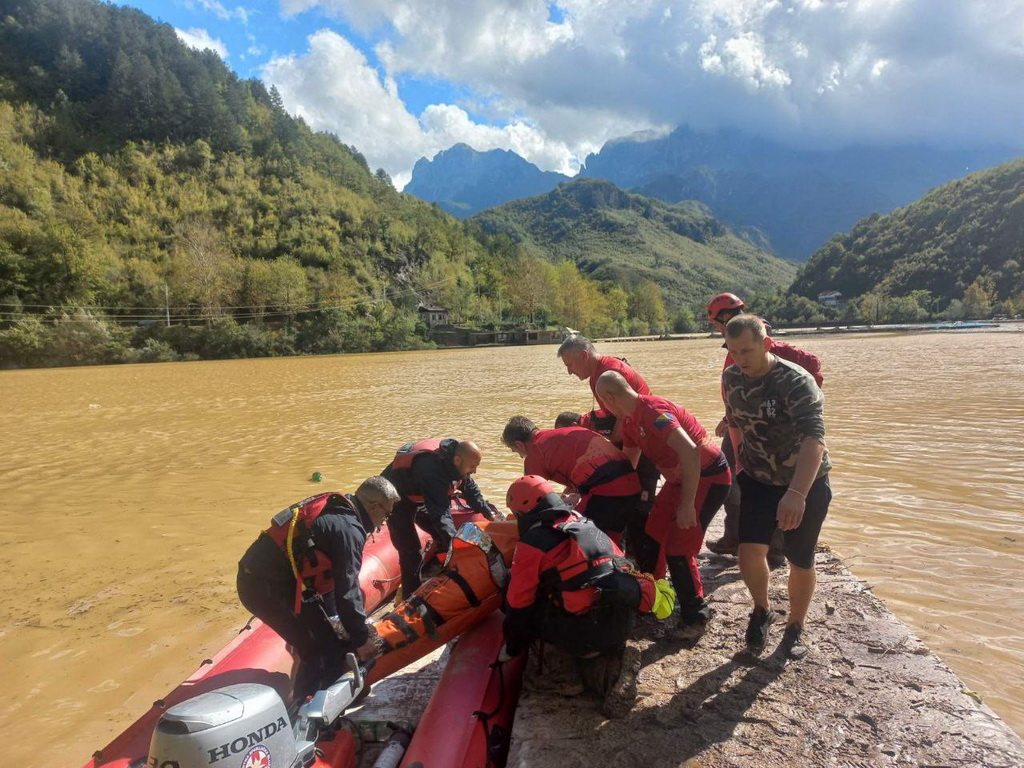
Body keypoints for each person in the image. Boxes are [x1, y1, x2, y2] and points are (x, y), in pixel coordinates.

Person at [499, 475, 673, 718]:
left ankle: (568, 676)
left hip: (584, 633)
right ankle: (611, 665)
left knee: (519, 602)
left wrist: (512, 647)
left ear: (523, 511)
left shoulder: (533, 542)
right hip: (620, 619)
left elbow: (519, 602)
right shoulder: (583, 521)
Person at [722, 314, 832, 659]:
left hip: (804, 481)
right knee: (748, 550)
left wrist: (796, 495)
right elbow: (735, 422)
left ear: (767, 344)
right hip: (757, 479)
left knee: (800, 558)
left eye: (747, 351)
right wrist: (741, 464)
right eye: (733, 351)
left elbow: (815, 440)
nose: (740, 359)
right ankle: (762, 610)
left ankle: (795, 626)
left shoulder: (795, 381)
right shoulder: (731, 378)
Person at [595, 371, 731, 641]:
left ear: (609, 398)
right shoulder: (630, 422)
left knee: (679, 548)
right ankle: (653, 593)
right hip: (679, 478)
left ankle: (695, 616)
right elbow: (628, 463)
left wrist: (687, 506)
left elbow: (691, 451)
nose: (603, 408)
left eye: (602, 402)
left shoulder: (654, 412)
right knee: (653, 529)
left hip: (706, 475)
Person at [236, 476, 399, 698]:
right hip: (263, 586)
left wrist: (341, 623)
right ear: (373, 506)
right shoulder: (349, 531)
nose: (385, 522)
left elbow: (333, 584)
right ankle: (310, 710)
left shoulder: (339, 510)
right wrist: (361, 639)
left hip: (284, 581)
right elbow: (347, 590)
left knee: (331, 637)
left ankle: (336, 692)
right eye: (386, 514)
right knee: (319, 649)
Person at [705, 292, 824, 567]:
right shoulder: (735, 342)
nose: (740, 356)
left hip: (768, 428)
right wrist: (730, 418)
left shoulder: (755, 336)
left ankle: (774, 549)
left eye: (715, 323)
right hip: (743, 423)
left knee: (768, 481)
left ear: (723, 317)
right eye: (735, 352)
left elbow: (802, 375)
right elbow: (736, 390)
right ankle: (736, 537)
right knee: (735, 480)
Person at [556, 335, 660, 570]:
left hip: (643, 444)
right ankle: (632, 560)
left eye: (570, 365)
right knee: (627, 506)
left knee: (638, 510)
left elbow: (625, 419)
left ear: (583, 356)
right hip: (634, 441)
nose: (569, 373)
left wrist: (607, 451)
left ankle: (649, 571)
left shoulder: (609, 372)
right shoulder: (598, 375)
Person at [501, 415, 642, 542]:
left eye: (516, 451)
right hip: (632, 482)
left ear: (519, 444)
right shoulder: (560, 434)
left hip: (606, 490)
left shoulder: (535, 453)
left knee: (574, 538)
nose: (520, 456)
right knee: (612, 541)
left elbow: (529, 501)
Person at [381, 438, 495, 596]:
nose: (474, 471)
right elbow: (440, 515)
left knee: (442, 538)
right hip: (397, 500)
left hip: (420, 495)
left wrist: (488, 512)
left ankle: (436, 571)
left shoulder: (457, 465)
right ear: (457, 460)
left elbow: (470, 488)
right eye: (472, 467)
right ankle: (410, 596)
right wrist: (457, 547)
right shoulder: (432, 469)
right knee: (411, 551)